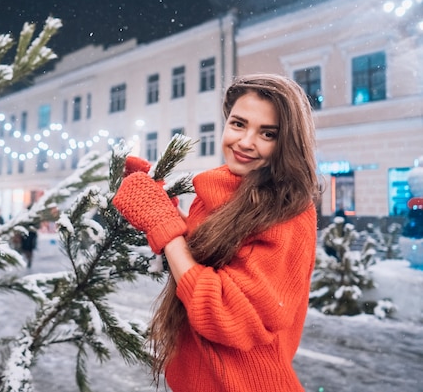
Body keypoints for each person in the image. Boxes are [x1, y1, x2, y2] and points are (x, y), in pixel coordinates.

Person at [113, 73, 320, 391]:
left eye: (267, 133)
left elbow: (226, 313)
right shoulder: (225, 190)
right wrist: (162, 203)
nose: (246, 142)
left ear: (286, 143)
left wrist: (163, 225)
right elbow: (208, 259)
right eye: (238, 124)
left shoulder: (289, 211)